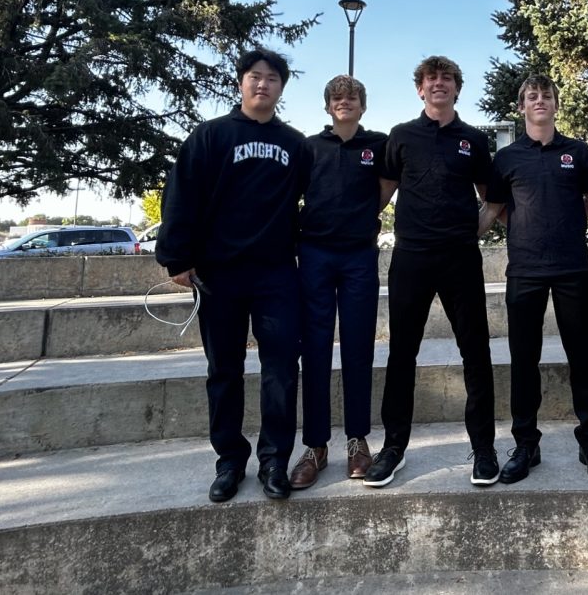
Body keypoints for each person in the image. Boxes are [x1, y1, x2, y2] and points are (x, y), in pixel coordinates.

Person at [156, 48, 311, 503]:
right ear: (241, 82)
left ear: (281, 88)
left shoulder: (295, 144)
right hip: (218, 274)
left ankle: (275, 461)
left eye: (272, 78)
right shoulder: (210, 136)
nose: (262, 84)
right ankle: (229, 462)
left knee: (281, 370)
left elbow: (310, 199)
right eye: (254, 76)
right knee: (223, 370)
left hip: (276, 274)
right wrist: (177, 257)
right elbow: (181, 196)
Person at [364, 55, 498, 488]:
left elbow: (492, 197)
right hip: (411, 259)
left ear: (458, 88)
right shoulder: (400, 137)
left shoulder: (474, 140)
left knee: (476, 353)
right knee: (402, 354)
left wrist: (470, 230)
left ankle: (483, 449)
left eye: (447, 78)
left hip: (460, 259)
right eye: (430, 78)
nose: (439, 84)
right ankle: (393, 448)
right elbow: (381, 196)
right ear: (419, 88)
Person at [477, 74, 588, 485]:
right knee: (523, 361)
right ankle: (526, 445)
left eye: (546, 95)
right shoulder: (507, 158)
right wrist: (460, 241)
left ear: (556, 104)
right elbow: (493, 209)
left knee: (582, 358)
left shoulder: (578, 151)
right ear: (521, 107)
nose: (540, 101)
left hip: (573, 268)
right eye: (532, 96)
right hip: (524, 271)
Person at [288, 75, 388, 490]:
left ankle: (357, 441)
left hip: (359, 256)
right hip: (313, 255)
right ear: (328, 106)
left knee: (359, 348)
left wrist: (360, 219)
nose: (344, 102)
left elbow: (386, 190)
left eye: (351, 97)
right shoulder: (308, 147)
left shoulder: (378, 145)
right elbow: (289, 195)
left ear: (362, 105)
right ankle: (315, 446)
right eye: (336, 98)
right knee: (313, 350)